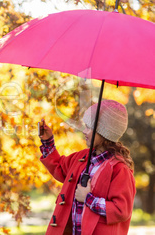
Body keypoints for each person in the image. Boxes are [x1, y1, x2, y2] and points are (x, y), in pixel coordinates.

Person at [38, 100, 136, 235]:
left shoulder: (120, 169)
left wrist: (88, 198)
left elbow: (121, 210)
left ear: (104, 133)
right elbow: (59, 168)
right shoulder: (82, 158)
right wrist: (48, 142)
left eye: (89, 127)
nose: (84, 131)